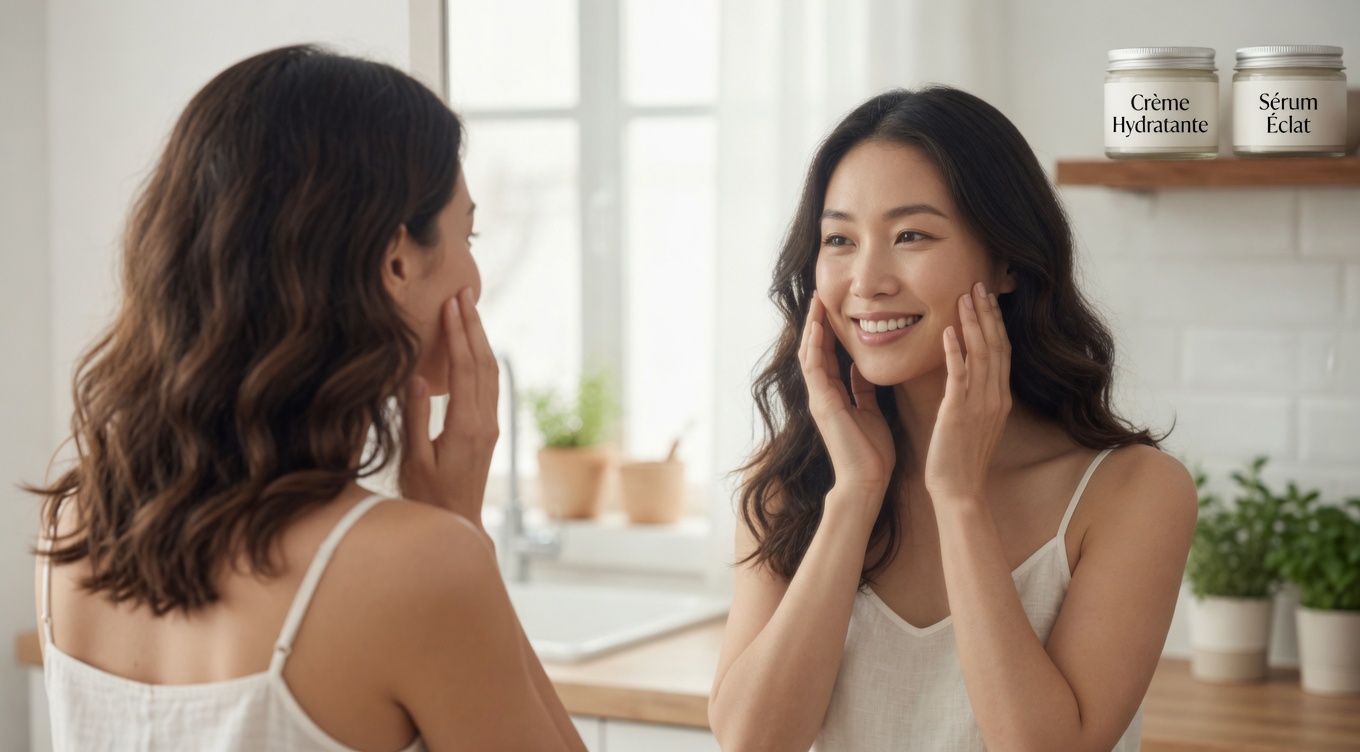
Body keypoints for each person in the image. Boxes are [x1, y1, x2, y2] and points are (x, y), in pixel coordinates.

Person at [30, 44, 586, 752]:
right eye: (467, 234)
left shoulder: (76, 523)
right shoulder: (422, 564)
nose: (474, 274)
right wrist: (462, 528)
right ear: (395, 261)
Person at [708, 87, 1198, 752]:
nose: (868, 280)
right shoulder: (787, 485)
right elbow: (753, 743)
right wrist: (854, 495)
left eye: (911, 235)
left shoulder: (1133, 492)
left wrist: (959, 499)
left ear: (1007, 260)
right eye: (839, 239)